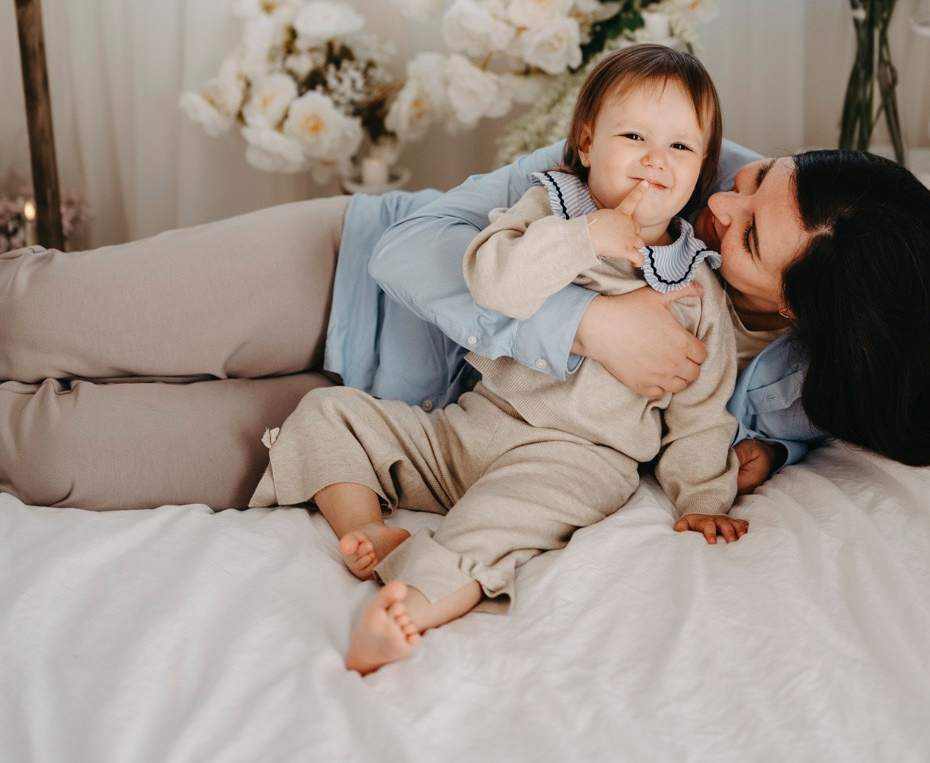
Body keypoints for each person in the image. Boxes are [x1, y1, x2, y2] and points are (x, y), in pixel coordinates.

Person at [0, 47, 930, 510]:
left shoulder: (806, 381)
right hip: (343, 274)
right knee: (31, 316)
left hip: (399, 432)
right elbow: (410, 253)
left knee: (57, 459)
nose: (722, 204)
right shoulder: (666, 160)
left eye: (752, 237)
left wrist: (762, 462)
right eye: (763, 177)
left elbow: (806, 420)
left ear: (806, 311)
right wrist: (589, 328)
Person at [248, 46, 752, 674]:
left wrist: (704, 497)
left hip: (577, 459)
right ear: (588, 143)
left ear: (702, 168)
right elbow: (496, 285)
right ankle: (367, 525)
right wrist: (585, 238)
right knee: (330, 411)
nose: (655, 158)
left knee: (495, 526)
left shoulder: (697, 285)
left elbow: (703, 412)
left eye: (681, 147)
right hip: (476, 426)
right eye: (633, 136)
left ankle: (415, 604)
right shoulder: (548, 210)